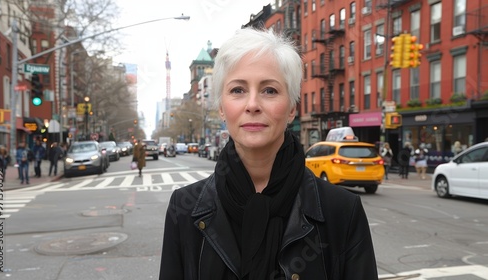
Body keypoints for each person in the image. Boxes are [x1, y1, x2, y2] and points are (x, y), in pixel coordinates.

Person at [159, 28, 378, 279]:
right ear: (221, 108)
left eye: (270, 90)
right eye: (238, 90)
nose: (252, 105)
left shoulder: (342, 210)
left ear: (292, 108)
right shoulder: (184, 209)